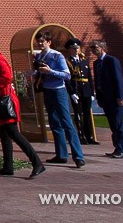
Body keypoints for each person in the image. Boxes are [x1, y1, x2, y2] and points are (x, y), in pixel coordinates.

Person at [0, 34, 45, 178]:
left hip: (5, 101)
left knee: (14, 134)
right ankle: (8, 166)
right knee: (4, 135)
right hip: (0, 101)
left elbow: (7, 78)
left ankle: (37, 162)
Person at [34, 31, 85, 168]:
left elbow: (66, 75)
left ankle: (78, 156)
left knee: (66, 122)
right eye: (38, 42)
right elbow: (39, 72)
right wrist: (33, 74)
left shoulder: (57, 56)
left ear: (49, 42)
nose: (40, 44)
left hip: (59, 91)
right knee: (54, 123)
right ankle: (61, 154)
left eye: (42, 41)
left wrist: (50, 71)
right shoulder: (39, 56)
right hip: (48, 91)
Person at [90, 40, 123, 159]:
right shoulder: (96, 63)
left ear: (102, 48)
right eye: (91, 48)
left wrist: (120, 96)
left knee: (118, 123)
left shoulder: (111, 61)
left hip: (115, 98)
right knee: (112, 124)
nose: (93, 50)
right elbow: (97, 82)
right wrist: (99, 98)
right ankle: (117, 147)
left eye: (95, 47)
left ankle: (122, 149)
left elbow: (118, 79)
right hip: (105, 98)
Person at [66, 38, 97, 145]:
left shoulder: (84, 61)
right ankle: (81, 135)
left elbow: (89, 77)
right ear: (69, 50)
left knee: (87, 113)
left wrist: (92, 92)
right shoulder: (68, 62)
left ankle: (90, 136)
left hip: (86, 90)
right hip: (77, 90)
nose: (76, 50)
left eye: (77, 48)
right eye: (73, 48)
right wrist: (72, 93)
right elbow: (68, 79)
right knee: (78, 113)